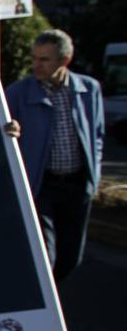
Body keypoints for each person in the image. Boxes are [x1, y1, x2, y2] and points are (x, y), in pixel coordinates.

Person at [6, 29, 104, 282]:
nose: (36, 65)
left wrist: (94, 177)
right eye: (34, 58)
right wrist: (10, 130)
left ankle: (53, 299)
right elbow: (4, 130)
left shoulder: (88, 89)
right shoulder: (19, 93)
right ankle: (46, 310)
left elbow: (98, 135)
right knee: (45, 255)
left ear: (64, 61)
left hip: (76, 185)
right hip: (42, 185)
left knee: (71, 257)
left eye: (44, 59)